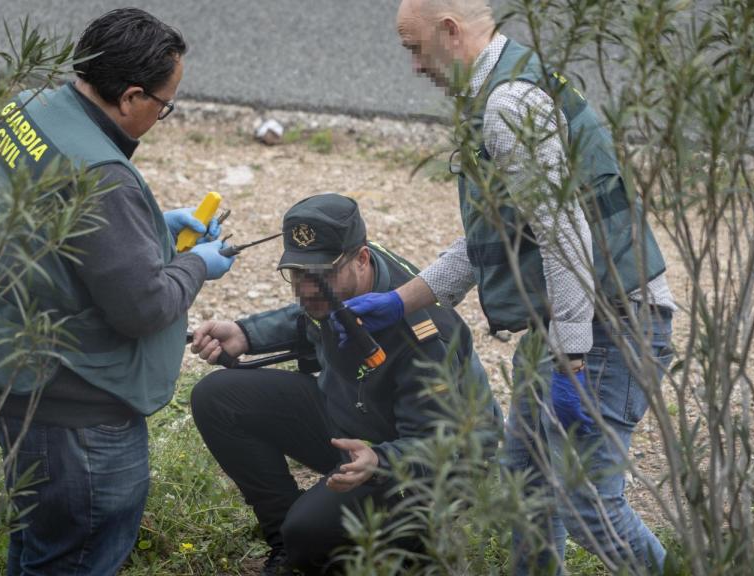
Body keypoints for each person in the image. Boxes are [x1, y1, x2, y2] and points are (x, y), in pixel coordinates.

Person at [341, 0, 678, 574]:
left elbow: (564, 232)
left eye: (415, 48)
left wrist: (570, 356)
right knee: (525, 487)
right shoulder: (504, 87)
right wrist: (403, 300)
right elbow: (496, 238)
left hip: (607, 329)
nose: (415, 66)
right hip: (568, 326)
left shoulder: (507, 104)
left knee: (587, 504)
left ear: (449, 32)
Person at [0, 8, 234, 575]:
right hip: (71, 408)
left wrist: (150, 220)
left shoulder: (27, 112)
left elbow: (57, 226)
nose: (162, 113)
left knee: (42, 539)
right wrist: (197, 265)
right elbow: (144, 305)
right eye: (165, 104)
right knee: (78, 553)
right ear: (130, 97)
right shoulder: (101, 177)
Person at [189, 194, 501, 576]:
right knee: (218, 397)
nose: (306, 288)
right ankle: (285, 544)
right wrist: (246, 334)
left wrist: (380, 461)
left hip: (428, 461)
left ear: (362, 259)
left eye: (319, 275)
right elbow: (317, 316)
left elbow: (441, 444)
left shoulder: (422, 333)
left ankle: (411, 543)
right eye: (297, 274)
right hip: (356, 420)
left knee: (309, 532)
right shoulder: (343, 279)